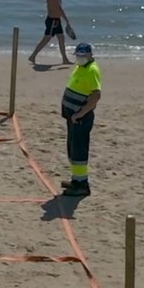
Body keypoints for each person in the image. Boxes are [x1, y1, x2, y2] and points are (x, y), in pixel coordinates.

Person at [60, 43, 101, 197]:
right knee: (72, 148)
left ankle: (82, 185)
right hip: (73, 116)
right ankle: (76, 180)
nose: (80, 59)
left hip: (80, 118)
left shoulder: (92, 70)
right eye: (78, 56)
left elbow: (96, 96)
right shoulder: (80, 67)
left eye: (82, 56)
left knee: (79, 150)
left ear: (90, 55)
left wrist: (81, 113)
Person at [27, 0, 75, 65]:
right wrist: (67, 21)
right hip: (53, 21)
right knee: (46, 39)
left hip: (56, 20)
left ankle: (64, 59)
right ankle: (33, 56)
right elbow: (59, 9)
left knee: (61, 39)